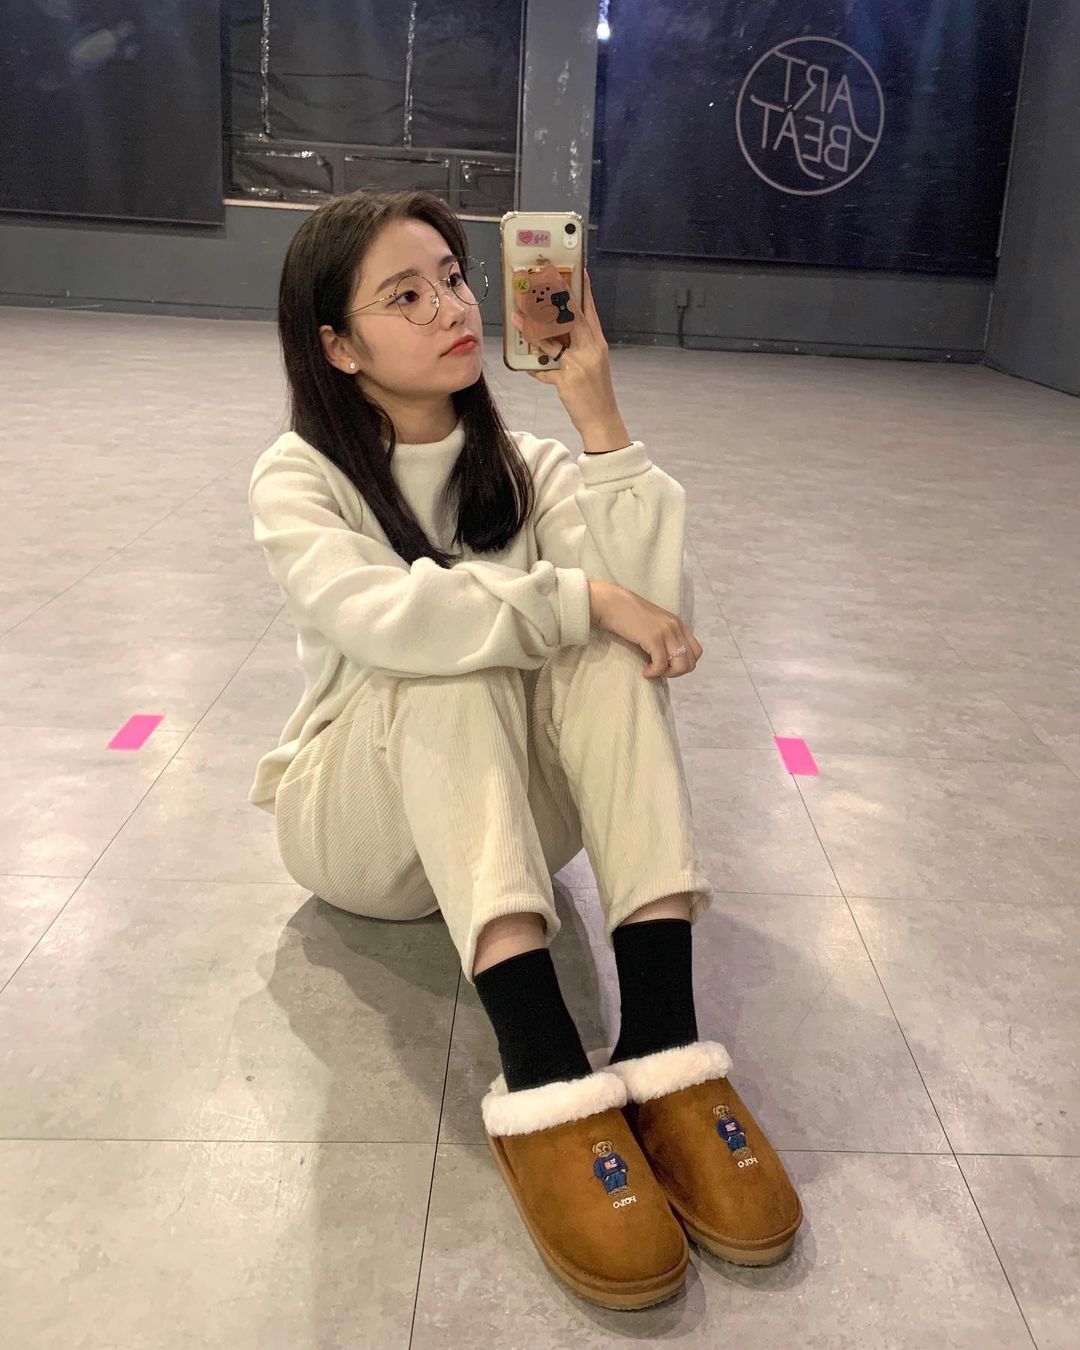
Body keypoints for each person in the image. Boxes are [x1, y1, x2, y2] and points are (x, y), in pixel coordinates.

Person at [247, 188, 802, 1309]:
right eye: (407, 296)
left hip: (503, 824)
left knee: (611, 655)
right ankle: (544, 1069)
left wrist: (598, 415)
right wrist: (581, 597)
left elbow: (659, 623)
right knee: (449, 656)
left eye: (454, 277)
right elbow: (387, 621)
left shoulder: (527, 466)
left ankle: (664, 1046)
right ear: (339, 346)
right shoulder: (299, 476)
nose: (454, 306)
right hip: (360, 829)